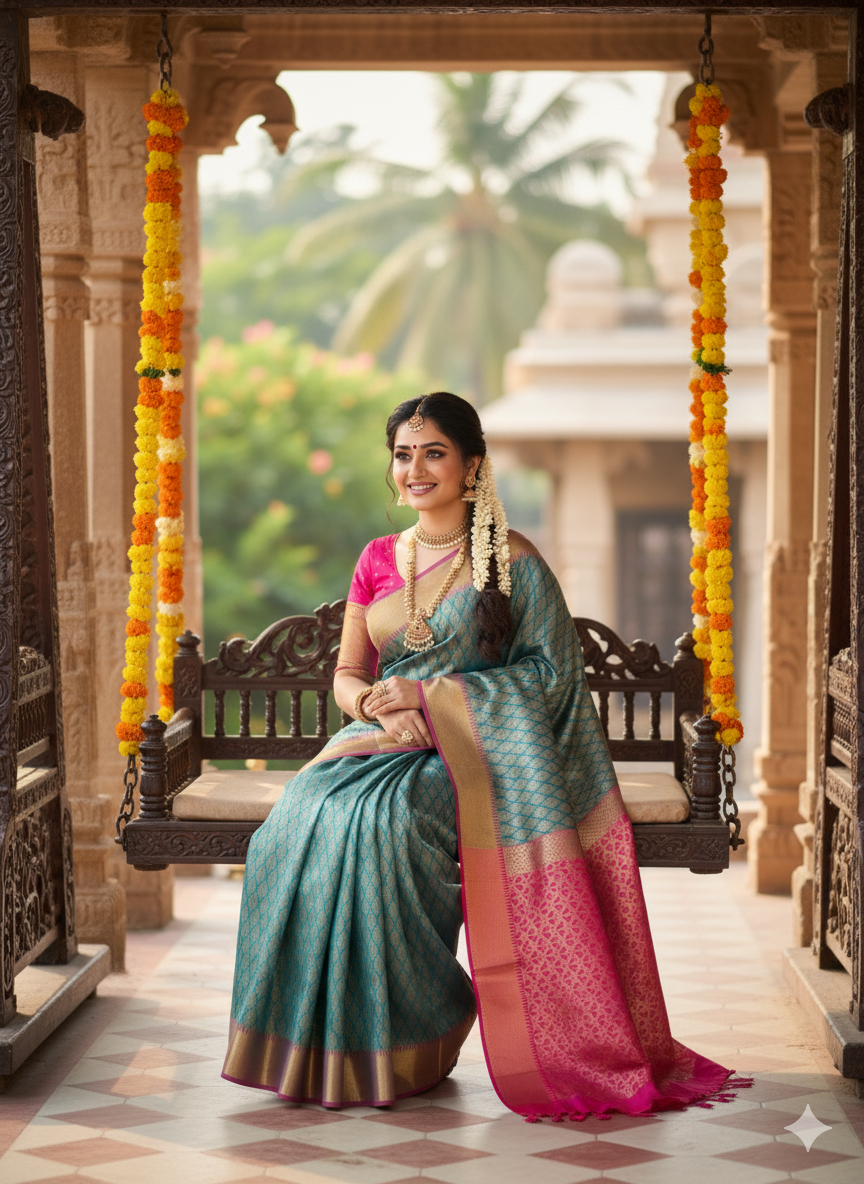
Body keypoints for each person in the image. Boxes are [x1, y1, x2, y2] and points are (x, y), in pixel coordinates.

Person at [223, 390, 737, 1121]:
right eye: (404, 454)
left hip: (475, 756)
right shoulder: (376, 559)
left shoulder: (513, 562)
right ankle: (311, 1048)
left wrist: (430, 705)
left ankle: (421, 1030)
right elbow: (346, 674)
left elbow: (553, 679)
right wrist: (375, 705)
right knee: (289, 828)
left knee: (389, 829)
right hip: (375, 740)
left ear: (472, 465)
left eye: (433, 452)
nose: (415, 469)